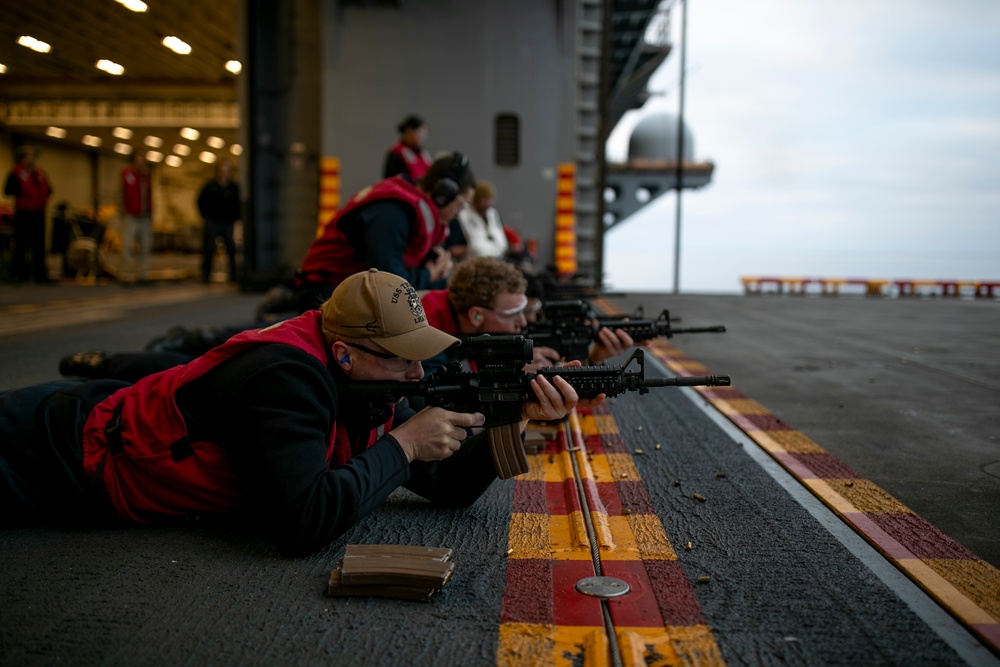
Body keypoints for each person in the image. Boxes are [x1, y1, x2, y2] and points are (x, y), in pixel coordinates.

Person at [1, 269, 582, 555]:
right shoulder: (284, 380)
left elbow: (447, 485)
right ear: (344, 354)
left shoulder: (367, 380)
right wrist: (403, 445)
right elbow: (300, 524)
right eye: (402, 360)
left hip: (90, 429)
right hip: (51, 450)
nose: (417, 375)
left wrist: (519, 415)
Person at [290, 151, 474, 313]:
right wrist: (429, 274)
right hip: (321, 294)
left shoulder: (414, 208)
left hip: (350, 288)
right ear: (443, 194)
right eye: (461, 204)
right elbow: (388, 285)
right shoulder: (392, 212)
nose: (458, 213)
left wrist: (440, 268)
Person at [421, 257, 635, 373]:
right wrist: (509, 374)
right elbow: (438, 402)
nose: (522, 321)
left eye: (523, 311)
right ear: (476, 316)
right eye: (512, 314)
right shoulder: (426, 332)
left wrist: (594, 357)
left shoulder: (469, 331)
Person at [4, 145, 53, 283]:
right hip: (23, 213)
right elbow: (8, 190)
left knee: (39, 246)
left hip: (38, 213)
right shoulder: (15, 173)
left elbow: (49, 190)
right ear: (23, 159)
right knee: (21, 245)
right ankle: (18, 274)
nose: (31, 159)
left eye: (33, 157)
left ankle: (40, 274)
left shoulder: (40, 174)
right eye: (28, 157)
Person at [197, 160, 241, 283]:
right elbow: (200, 201)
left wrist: (235, 217)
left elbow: (238, 204)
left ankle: (233, 275)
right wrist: (205, 216)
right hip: (213, 222)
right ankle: (206, 275)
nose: (225, 173)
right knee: (209, 248)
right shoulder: (210, 186)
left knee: (231, 249)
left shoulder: (233, 187)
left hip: (227, 223)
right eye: (223, 170)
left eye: (227, 170)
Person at [451, 180, 508, 262]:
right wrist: (470, 250)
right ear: (476, 200)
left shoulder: (493, 214)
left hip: (497, 260)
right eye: (484, 200)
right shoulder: (462, 216)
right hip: (472, 263)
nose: (488, 203)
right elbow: (452, 248)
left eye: (490, 200)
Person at [119, 152, 153, 284]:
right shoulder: (126, 174)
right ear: (133, 161)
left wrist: (151, 213)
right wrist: (122, 212)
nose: (141, 163)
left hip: (144, 216)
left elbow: (149, 195)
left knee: (145, 246)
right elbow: (120, 193)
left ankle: (142, 275)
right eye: (138, 160)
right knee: (127, 245)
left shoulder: (146, 176)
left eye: (142, 161)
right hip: (130, 215)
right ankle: (126, 275)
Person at [383, 114, 432, 180]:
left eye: (424, 133)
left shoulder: (423, 153)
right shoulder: (396, 153)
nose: (423, 136)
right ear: (409, 131)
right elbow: (393, 180)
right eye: (420, 131)